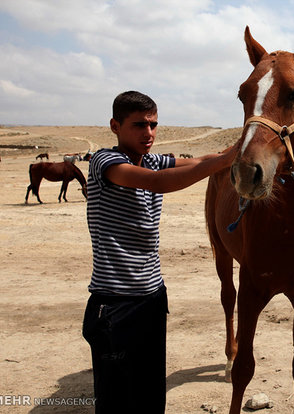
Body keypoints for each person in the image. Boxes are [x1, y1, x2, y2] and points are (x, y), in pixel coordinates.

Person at [82, 91, 237, 413]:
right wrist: (225, 160)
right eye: (139, 125)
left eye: (153, 125)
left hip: (152, 297)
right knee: (117, 401)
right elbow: (157, 183)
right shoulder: (105, 161)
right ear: (115, 126)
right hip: (115, 303)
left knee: (151, 394)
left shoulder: (152, 158)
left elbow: (196, 162)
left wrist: (240, 148)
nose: (148, 133)